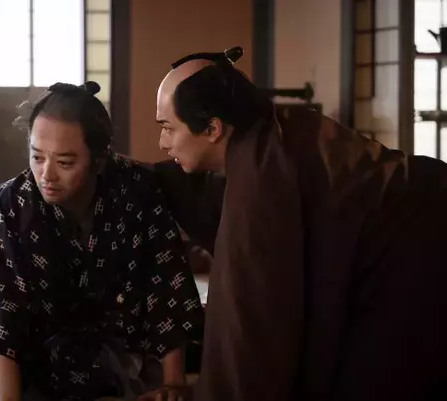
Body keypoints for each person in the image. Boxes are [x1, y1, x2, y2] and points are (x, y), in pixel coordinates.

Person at [151, 47, 447, 401]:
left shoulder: (259, 183)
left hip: (426, 253)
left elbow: (252, 330)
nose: (162, 142)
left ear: (213, 127)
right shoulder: (275, 132)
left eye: (168, 127)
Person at [0, 81, 204, 401]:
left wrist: (173, 383)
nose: (46, 175)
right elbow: (2, 310)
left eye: (65, 163)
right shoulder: (11, 204)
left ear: (99, 159)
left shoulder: (135, 188)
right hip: (42, 356)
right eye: (37, 157)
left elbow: (165, 281)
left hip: (124, 346)